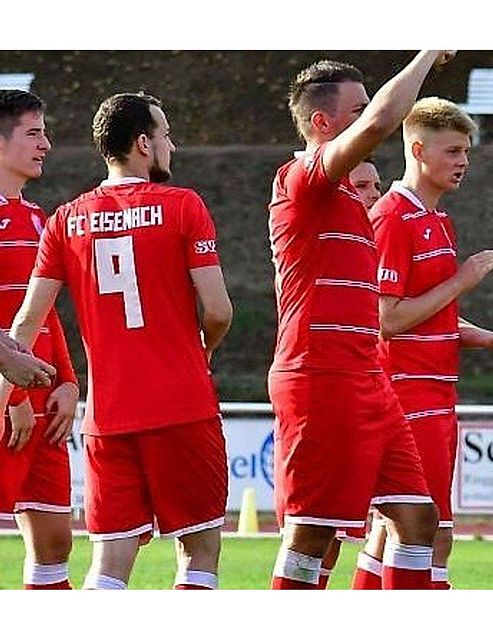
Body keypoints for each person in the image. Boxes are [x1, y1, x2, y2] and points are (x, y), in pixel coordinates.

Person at [2, 92, 233, 590]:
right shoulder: (183, 205)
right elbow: (218, 310)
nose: (171, 145)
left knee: (107, 566)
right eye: (166, 135)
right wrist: (203, 348)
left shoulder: (64, 219)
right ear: (144, 144)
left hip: (107, 418)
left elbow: (27, 324)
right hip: (182, 407)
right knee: (199, 553)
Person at [268, 51, 455, 590]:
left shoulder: (353, 200)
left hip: (367, 378)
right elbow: (381, 123)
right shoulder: (301, 181)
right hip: (318, 376)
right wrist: (429, 50)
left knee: (419, 519)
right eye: (357, 109)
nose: (369, 119)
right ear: (322, 125)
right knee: (313, 535)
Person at [350, 97, 493, 590]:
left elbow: (431, 312)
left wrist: (490, 338)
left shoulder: (437, 220)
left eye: (466, 151)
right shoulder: (392, 217)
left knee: (395, 534)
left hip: (436, 394)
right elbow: (385, 320)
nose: (463, 162)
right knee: (427, 532)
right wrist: (463, 279)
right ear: (417, 149)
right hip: (407, 394)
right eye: (453, 150)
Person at [0, 89, 78, 590]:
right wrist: (16, 396)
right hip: (10, 403)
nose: (46, 144)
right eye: (33, 133)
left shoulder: (39, 218)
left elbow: (45, 313)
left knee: (55, 543)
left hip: (45, 402)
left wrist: (69, 382)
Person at [315, 158, 383, 588]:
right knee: (322, 534)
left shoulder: (374, 236)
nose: (375, 193)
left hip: (374, 388)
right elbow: (392, 316)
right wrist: (464, 278)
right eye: (362, 185)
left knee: (412, 519)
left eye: (377, 183)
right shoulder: (326, 233)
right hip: (334, 385)